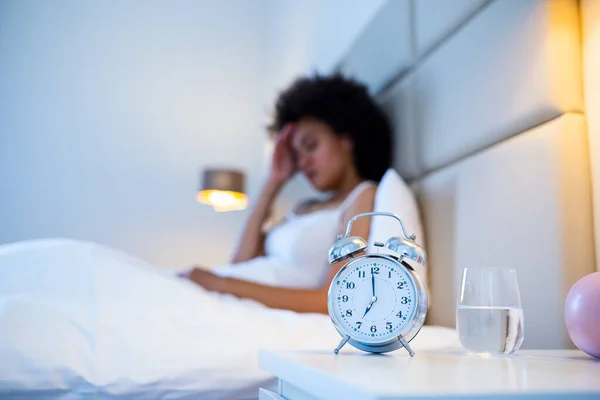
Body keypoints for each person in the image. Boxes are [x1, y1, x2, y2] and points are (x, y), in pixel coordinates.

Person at [182, 73, 393, 314]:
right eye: (296, 154)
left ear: (348, 139)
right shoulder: (304, 208)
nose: (303, 162)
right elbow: (241, 264)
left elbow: (337, 299)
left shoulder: (362, 197)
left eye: (311, 146)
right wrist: (274, 181)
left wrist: (218, 284)